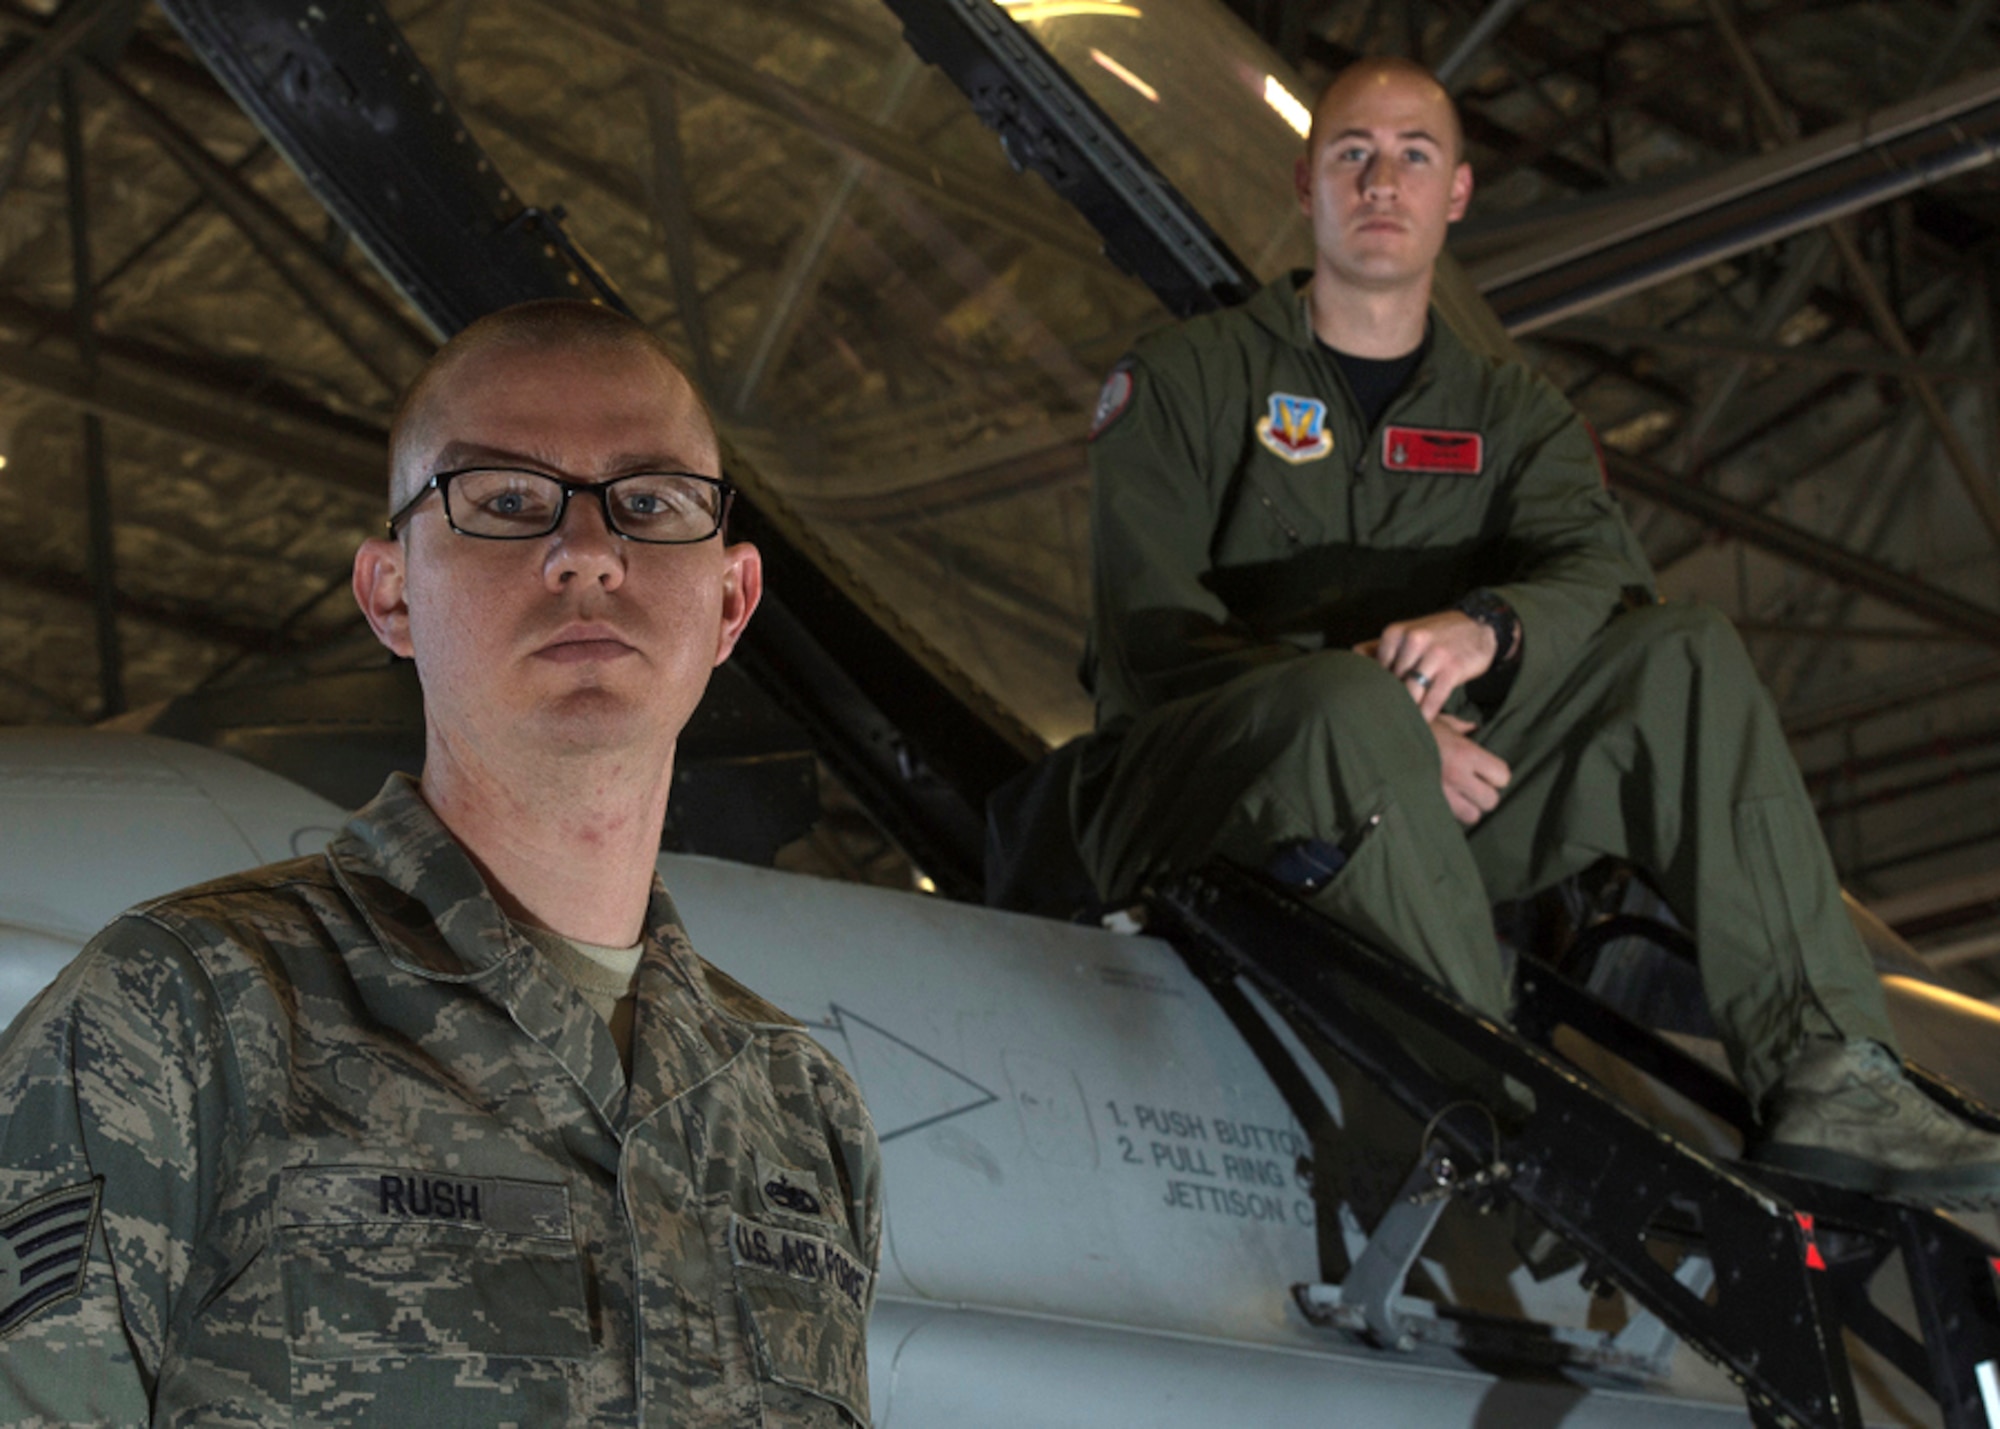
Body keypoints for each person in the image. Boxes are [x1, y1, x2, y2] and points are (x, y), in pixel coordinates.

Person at [1074, 55, 2000, 1205]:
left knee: (1683, 652)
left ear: (1455, 193)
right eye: (1352, 153)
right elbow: (1146, 649)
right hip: (1204, 799)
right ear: (1302, 180)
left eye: (1414, 156)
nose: (1381, 180)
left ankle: (1826, 1072)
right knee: (1349, 712)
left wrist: (1489, 628)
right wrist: (1390, 717)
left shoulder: (1510, 416)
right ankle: (1508, 1120)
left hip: (1421, 814)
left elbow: (1601, 574)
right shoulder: (1182, 380)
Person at [0, 301, 880, 1424]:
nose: (588, 554)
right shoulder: (186, 1014)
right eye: (506, 501)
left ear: (730, 599)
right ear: (392, 592)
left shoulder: (796, 1108)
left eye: (650, 503)